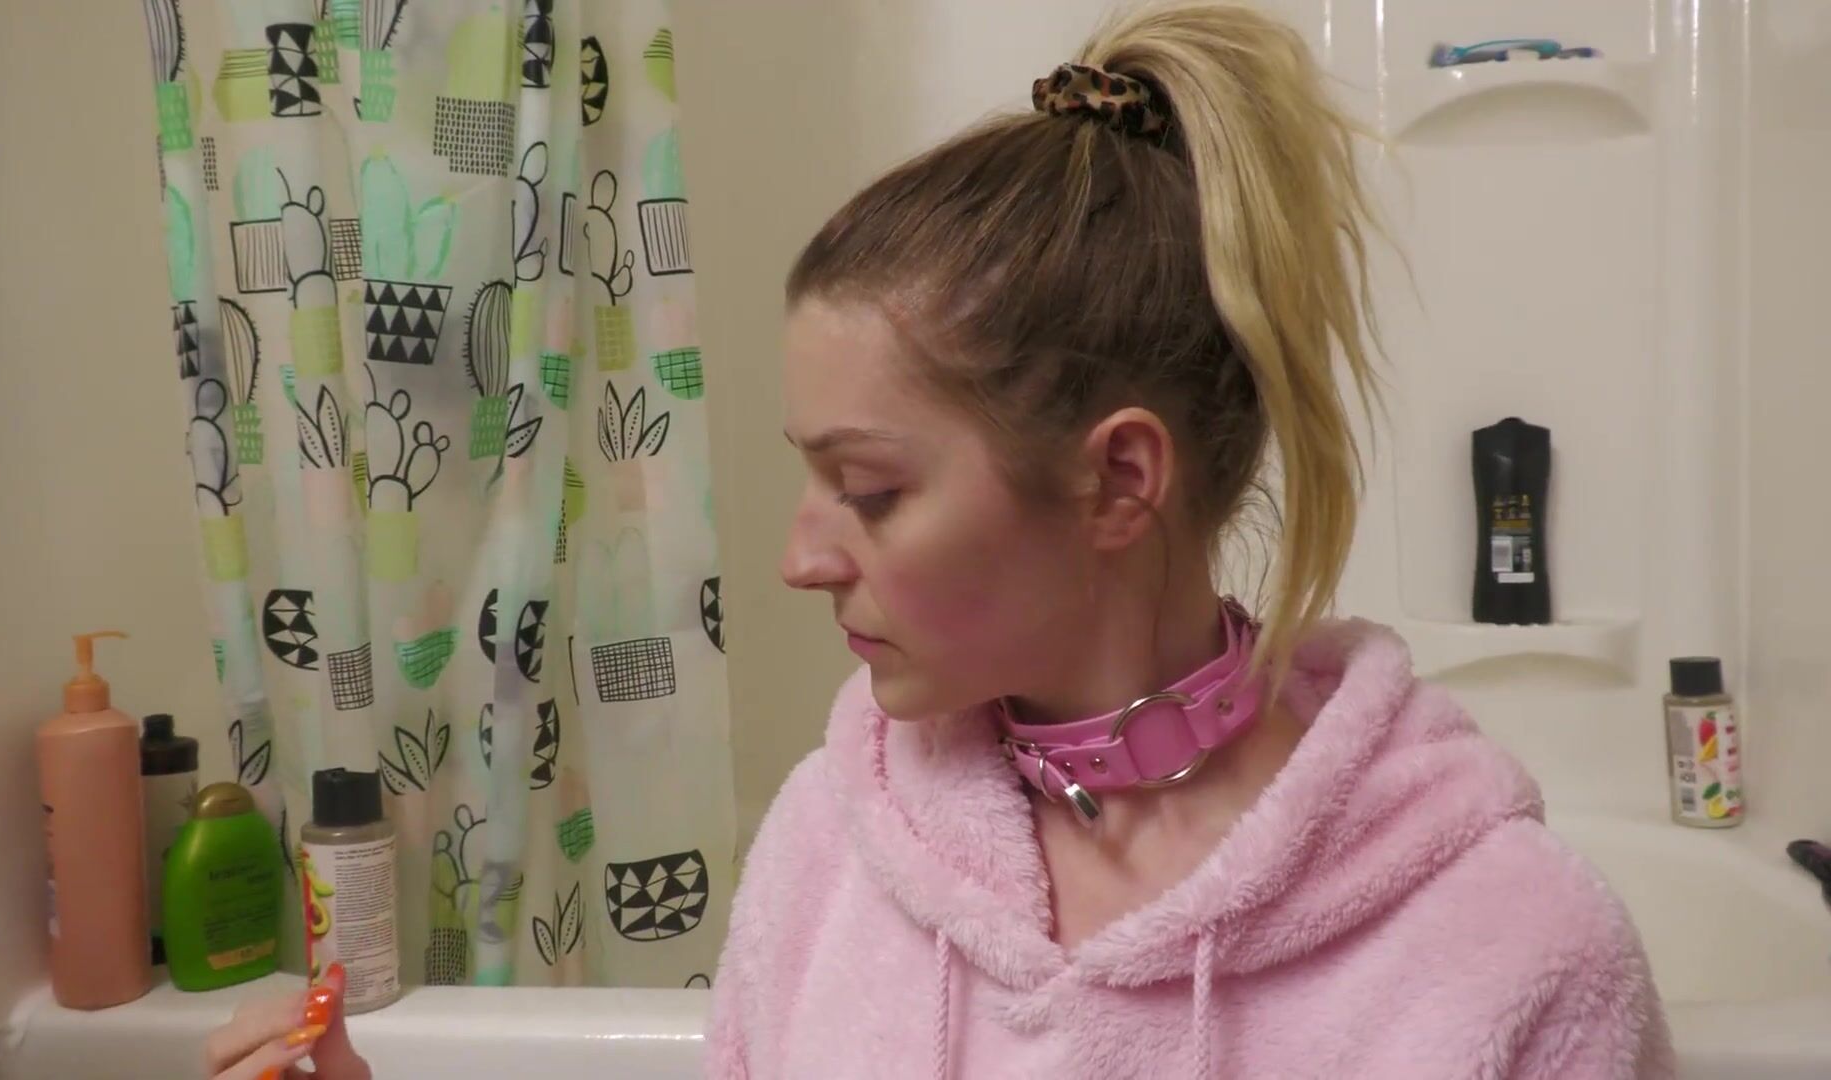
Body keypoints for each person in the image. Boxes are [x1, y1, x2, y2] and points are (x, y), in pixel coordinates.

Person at [206, 3, 1671, 1078]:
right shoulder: (834, 850)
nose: (800, 558)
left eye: (869, 489)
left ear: (1120, 481)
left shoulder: (1510, 947)